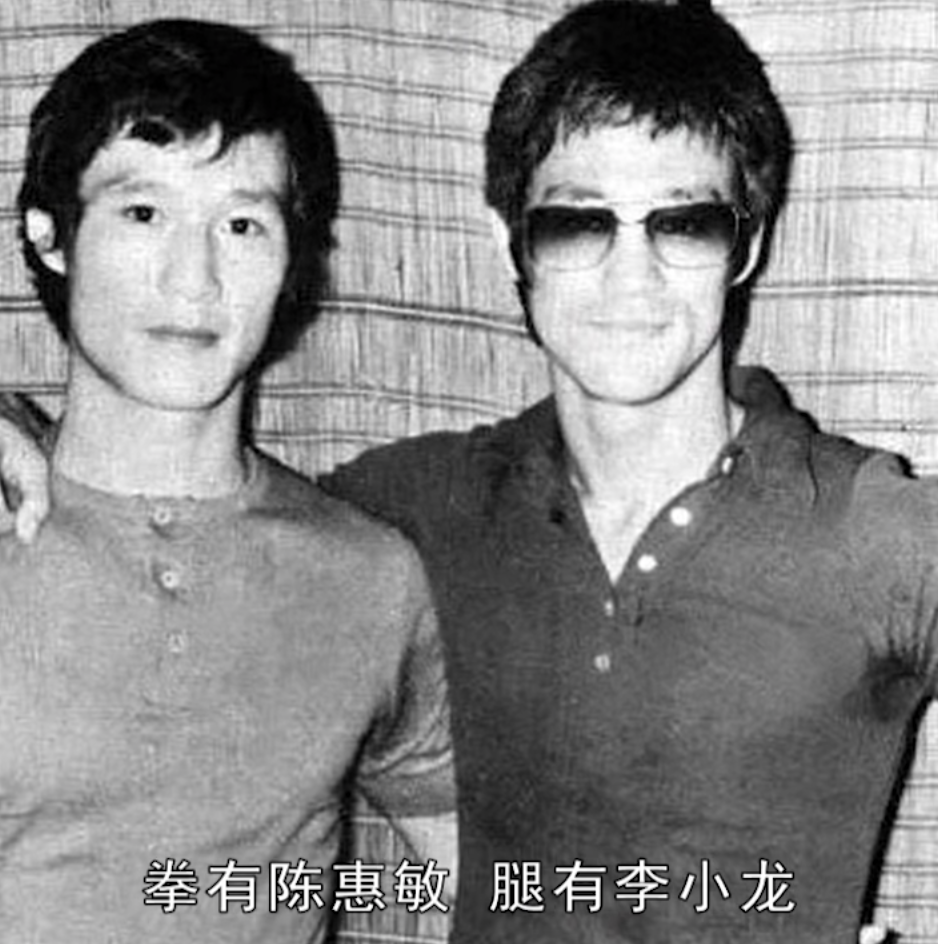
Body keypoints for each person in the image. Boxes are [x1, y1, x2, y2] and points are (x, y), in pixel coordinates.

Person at [0, 2, 933, 943]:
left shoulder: (866, 527)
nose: (632, 276)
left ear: (749, 244)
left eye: (684, 224)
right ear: (507, 242)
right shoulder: (418, 512)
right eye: (577, 225)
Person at [0, 19, 453, 944]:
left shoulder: (371, 576)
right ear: (51, 236)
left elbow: (488, 882)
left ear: (294, 264)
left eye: (242, 225)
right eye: (143, 213)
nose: (193, 279)